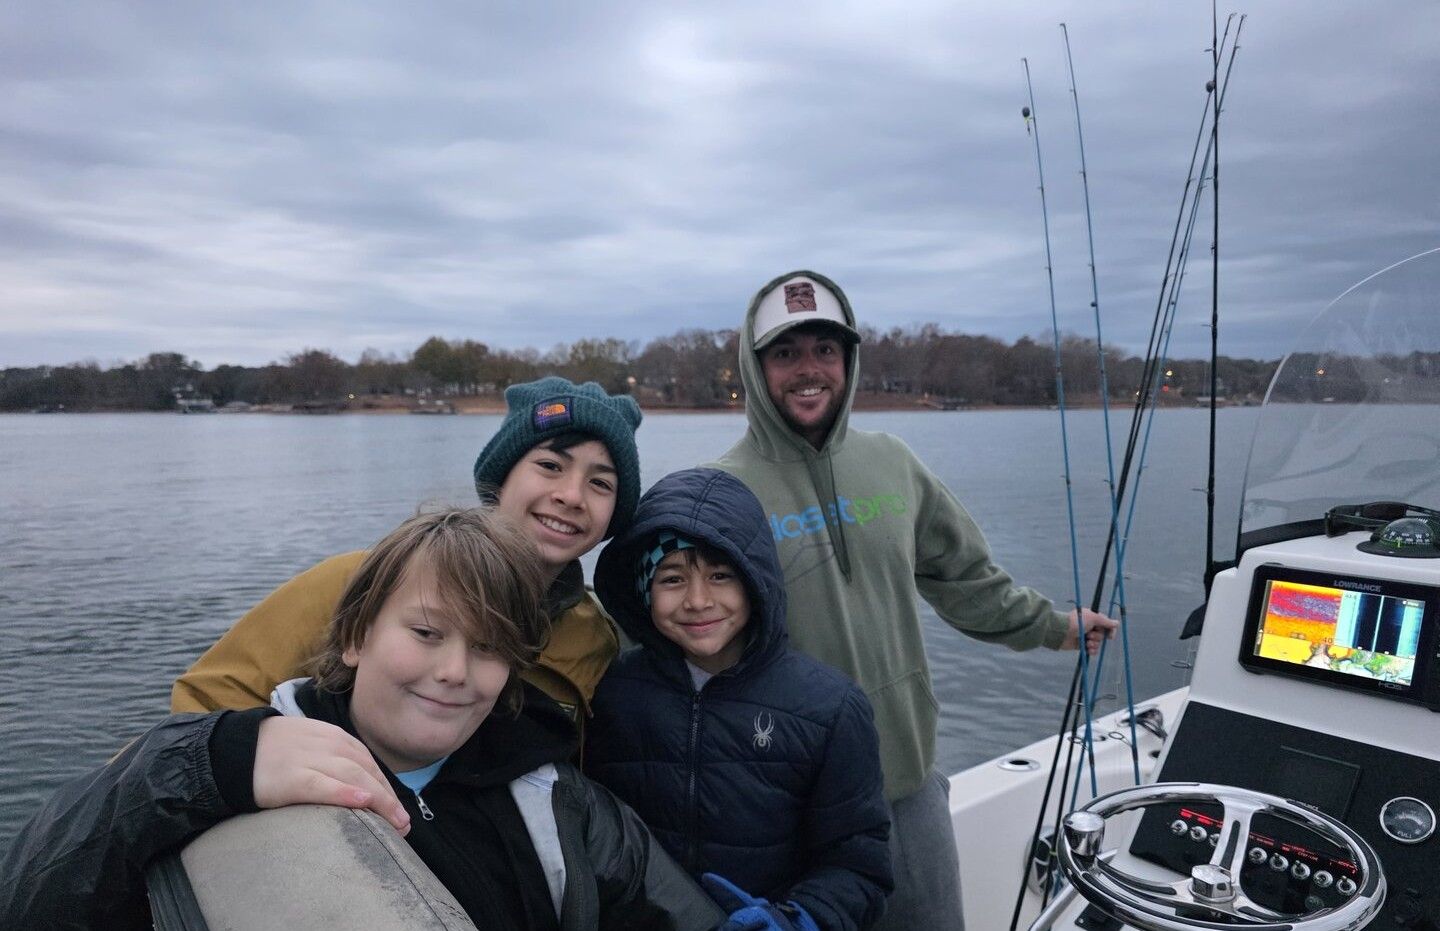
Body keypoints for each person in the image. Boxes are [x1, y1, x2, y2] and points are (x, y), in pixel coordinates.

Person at [0, 507, 725, 931]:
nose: (453, 672)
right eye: (427, 632)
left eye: (488, 647)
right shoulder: (216, 768)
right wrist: (203, 763)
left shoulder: (560, 803)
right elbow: (30, 896)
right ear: (356, 635)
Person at [709, 271, 1119, 930]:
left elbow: (967, 579)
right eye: (785, 353)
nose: (808, 369)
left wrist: (1056, 626)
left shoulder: (893, 462)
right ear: (756, 369)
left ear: (849, 359)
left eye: (825, 349)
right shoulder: (719, 490)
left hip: (908, 782)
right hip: (789, 805)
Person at [170, 376, 643, 726]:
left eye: (600, 483)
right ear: (501, 478)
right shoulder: (363, 581)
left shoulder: (592, 638)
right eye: (549, 465)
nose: (572, 495)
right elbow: (204, 704)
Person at [586, 468, 893, 931]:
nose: (697, 600)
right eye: (671, 579)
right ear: (643, 591)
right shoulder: (609, 692)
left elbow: (858, 865)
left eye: (720, 575)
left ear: (755, 581)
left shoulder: (831, 708)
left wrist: (799, 919)